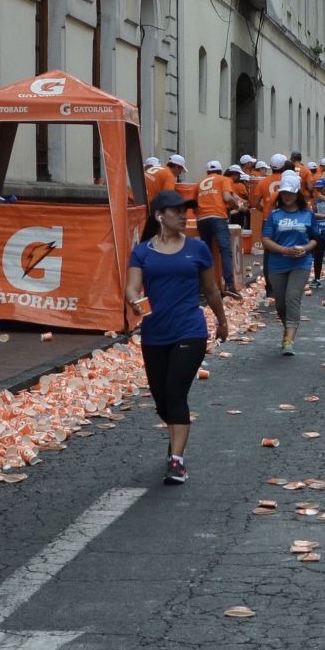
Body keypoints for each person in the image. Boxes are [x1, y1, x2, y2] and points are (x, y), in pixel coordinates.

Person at [126, 191, 229, 485]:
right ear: (160, 215)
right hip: (155, 333)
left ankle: (177, 461)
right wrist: (135, 301)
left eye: (186, 211)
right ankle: (176, 440)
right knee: (161, 401)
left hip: (190, 330)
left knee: (175, 392)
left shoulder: (197, 249)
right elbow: (132, 287)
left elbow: (210, 290)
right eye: (177, 211)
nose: (185, 216)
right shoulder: (143, 252)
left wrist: (222, 321)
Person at [262, 171, 317, 355]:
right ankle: (288, 329)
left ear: (297, 194)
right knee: (280, 304)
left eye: (290, 193)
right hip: (277, 263)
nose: (287, 196)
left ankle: (289, 341)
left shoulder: (307, 214)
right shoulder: (274, 215)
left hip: (300, 263)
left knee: (292, 298)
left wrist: (305, 248)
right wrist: (283, 250)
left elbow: (315, 238)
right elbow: (266, 239)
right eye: (284, 193)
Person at [194, 159, 242, 297]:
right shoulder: (223, 180)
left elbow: (195, 205)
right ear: (220, 171)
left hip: (202, 220)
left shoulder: (200, 183)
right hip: (218, 217)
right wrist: (236, 206)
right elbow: (227, 197)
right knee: (225, 250)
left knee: (206, 253)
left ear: (207, 172)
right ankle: (229, 284)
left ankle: (204, 286)